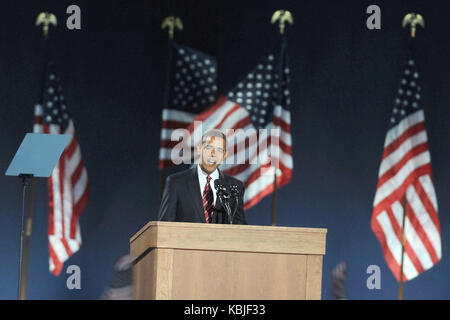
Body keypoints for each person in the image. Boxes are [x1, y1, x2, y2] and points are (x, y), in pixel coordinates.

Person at [158, 129, 247, 224]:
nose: (213, 154)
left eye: (219, 150)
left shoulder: (234, 187)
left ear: (225, 155)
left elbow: (240, 227)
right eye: (209, 148)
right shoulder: (176, 183)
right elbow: (165, 226)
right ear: (199, 149)